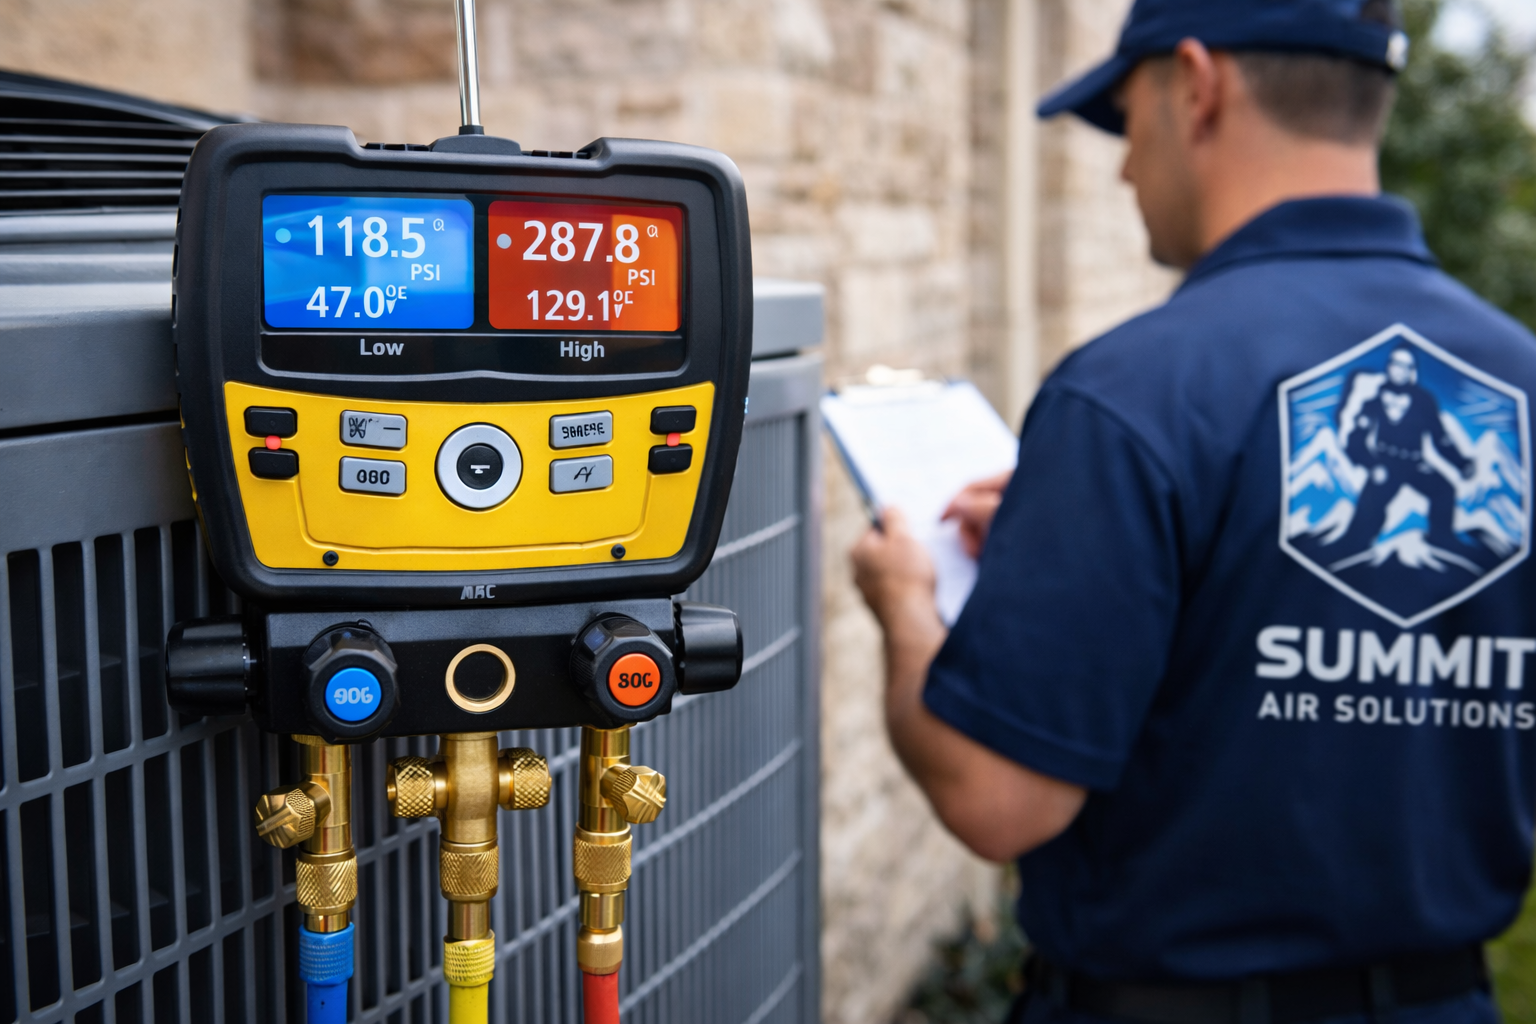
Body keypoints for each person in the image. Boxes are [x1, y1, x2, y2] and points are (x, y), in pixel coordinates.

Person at [849, 1, 1536, 1022]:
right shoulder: (1518, 380)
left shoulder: (1134, 393)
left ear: (1199, 85)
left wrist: (905, 604)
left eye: (1127, 120)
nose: (1125, 170)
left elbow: (998, 798)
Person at [1332, 346, 1473, 563]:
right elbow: (1356, 437)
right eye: (1396, 364)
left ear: (1413, 371)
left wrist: (1461, 463)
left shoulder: (1424, 400)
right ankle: (1354, 547)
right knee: (1370, 505)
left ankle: (1441, 539)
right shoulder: (1374, 396)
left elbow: (1439, 436)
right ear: (1389, 367)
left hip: (1416, 463)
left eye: (1406, 366)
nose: (1400, 371)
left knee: (1445, 490)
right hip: (1385, 464)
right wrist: (1371, 465)